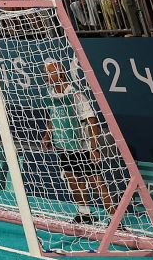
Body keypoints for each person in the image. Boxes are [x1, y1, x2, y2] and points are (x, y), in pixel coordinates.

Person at [41, 59, 117, 223]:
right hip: (64, 146)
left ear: (60, 73)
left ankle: (115, 218)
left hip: (82, 146)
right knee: (72, 178)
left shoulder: (76, 94)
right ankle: (84, 214)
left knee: (95, 180)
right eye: (44, 72)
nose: (45, 75)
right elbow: (52, 115)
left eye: (49, 72)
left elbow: (92, 120)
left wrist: (94, 147)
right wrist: (48, 134)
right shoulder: (50, 92)